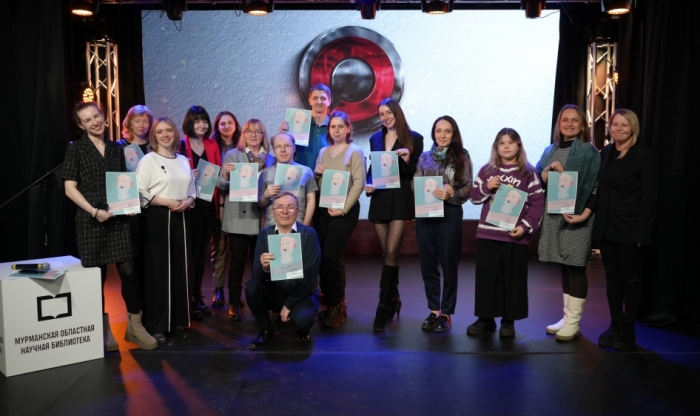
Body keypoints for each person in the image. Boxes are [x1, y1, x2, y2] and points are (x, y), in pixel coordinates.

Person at [62, 101, 157, 352]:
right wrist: (94, 211)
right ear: (81, 125)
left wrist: (128, 204)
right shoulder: (75, 148)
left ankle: (135, 328)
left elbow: (123, 182)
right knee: (98, 278)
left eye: (96, 116)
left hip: (118, 218)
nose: (94, 122)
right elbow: (69, 188)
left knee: (129, 272)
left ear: (103, 116)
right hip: (91, 219)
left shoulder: (116, 148)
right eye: (87, 120)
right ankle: (102, 331)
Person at [468, 128, 545, 337]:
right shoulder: (486, 171)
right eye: (502, 143)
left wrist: (525, 226)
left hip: (514, 235)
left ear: (518, 146)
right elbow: (474, 197)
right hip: (488, 233)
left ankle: (508, 321)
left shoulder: (528, 173)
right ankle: (486, 319)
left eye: (511, 142)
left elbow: (537, 202)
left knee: (513, 279)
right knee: (487, 278)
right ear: (496, 147)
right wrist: (487, 186)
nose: (507, 146)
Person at [593, 109, 657, 351]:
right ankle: (615, 323)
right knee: (612, 278)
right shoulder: (606, 153)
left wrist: (643, 232)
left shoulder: (644, 156)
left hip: (630, 228)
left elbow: (649, 198)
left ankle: (628, 328)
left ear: (633, 128)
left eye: (624, 125)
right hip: (606, 226)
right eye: (614, 124)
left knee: (630, 279)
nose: (618, 129)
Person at [536, 104, 601, 341]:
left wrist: (585, 214)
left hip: (577, 217)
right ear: (559, 124)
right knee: (564, 266)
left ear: (582, 124)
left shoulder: (589, 152)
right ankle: (567, 318)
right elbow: (538, 179)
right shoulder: (550, 150)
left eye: (575, 120)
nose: (569, 124)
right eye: (565, 120)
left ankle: (574, 323)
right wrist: (547, 172)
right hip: (554, 215)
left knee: (575, 267)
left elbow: (596, 187)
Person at [365, 98, 424, 331]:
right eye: (381, 114)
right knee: (385, 254)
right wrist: (369, 183)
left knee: (391, 251)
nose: (385, 117)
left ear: (397, 113)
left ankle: (382, 307)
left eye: (389, 112)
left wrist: (408, 160)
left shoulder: (414, 138)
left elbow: (416, 172)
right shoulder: (375, 138)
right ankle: (393, 298)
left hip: (401, 199)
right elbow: (373, 169)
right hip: (380, 198)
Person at [137, 117, 196, 344]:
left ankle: (178, 318)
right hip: (158, 218)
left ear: (175, 133)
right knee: (158, 272)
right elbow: (140, 191)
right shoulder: (148, 160)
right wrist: (167, 202)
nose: (165, 135)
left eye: (168, 130)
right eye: (160, 131)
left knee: (181, 269)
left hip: (182, 218)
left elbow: (192, 190)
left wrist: (188, 201)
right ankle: (157, 324)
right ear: (154, 135)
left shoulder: (183, 160)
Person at [414, 116, 473, 333]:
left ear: (453, 134)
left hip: (449, 214)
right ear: (433, 133)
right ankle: (434, 310)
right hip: (426, 214)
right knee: (428, 265)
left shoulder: (462, 156)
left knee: (449, 265)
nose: (442, 135)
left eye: (447, 131)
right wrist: (421, 187)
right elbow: (414, 184)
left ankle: (446, 312)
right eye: (439, 131)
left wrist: (451, 193)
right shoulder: (424, 157)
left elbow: (468, 188)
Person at [246, 192, 321, 349]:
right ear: (273, 211)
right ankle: (266, 331)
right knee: (252, 287)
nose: (285, 211)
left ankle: (302, 328)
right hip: (277, 290)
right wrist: (264, 267)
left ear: (297, 210)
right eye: (279, 207)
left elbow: (310, 275)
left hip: (303, 293)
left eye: (290, 207)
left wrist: (288, 305)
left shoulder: (308, 234)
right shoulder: (265, 234)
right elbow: (256, 273)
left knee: (302, 322)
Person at [217, 119, 275, 320]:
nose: (253, 135)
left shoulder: (271, 158)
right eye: (249, 131)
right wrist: (226, 175)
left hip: (262, 216)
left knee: (261, 264)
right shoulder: (233, 155)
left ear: (263, 135)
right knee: (237, 262)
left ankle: (261, 302)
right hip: (238, 216)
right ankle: (234, 302)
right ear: (244, 134)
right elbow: (221, 184)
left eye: (257, 131)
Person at [313, 111, 366, 327]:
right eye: (333, 126)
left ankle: (337, 306)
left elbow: (359, 184)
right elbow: (319, 185)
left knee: (331, 257)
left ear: (348, 129)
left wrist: (343, 209)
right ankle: (331, 303)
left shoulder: (355, 152)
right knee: (323, 258)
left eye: (340, 126)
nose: (336, 130)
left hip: (344, 212)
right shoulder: (323, 152)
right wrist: (317, 175)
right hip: (323, 209)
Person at [179, 106, 221, 319]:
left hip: (208, 207)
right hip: (190, 208)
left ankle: (196, 296)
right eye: (197, 121)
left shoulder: (212, 144)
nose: (202, 125)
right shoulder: (181, 144)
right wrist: (188, 173)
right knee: (191, 254)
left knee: (202, 254)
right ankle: (186, 299)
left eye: (204, 121)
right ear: (189, 123)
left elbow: (218, 173)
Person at [210, 111, 242, 309]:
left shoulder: (243, 146)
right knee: (219, 248)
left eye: (230, 122)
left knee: (238, 252)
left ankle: (235, 292)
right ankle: (218, 289)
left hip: (239, 203)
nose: (227, 126)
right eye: (223, 123)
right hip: (218, 201)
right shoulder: (212, 146)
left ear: (236, 125)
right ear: (217, 126)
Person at [259, 133, 317, 227]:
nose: (283, 150)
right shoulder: (265, 173)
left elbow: (311, 199)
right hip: (272, 227)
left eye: (287, 146)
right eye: (278, 146)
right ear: (274, 150)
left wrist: (305, 226)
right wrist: (265, 195)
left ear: (294, 148)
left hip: (298, 226)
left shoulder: (306, 171)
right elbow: (260, 203)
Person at [281, 83, 332, 169]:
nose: (319, 102)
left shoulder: (334, 126)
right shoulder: (298, 123)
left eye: (323, 98)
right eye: (315, 98)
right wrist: (283, 135)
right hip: (300, 174)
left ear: (329, 101)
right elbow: (286, 151)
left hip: (326, 174)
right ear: (310, 101)